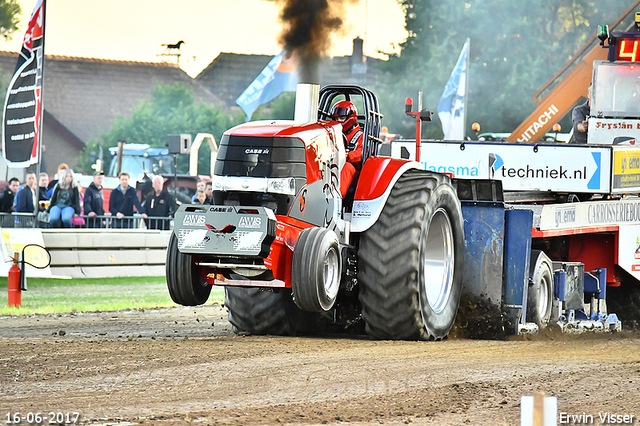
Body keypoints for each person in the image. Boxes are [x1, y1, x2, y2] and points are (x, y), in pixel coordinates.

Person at [331, 100, 363, 198]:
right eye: (336, 119)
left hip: (356, 173)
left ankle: (336, 198)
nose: (339, 121)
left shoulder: (361, 135)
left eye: (342, 118)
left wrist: (347, 155)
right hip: (334, 166)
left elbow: (362, 154)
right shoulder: (332, 133)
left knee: (348, 167)